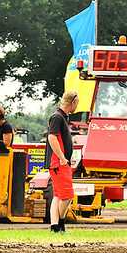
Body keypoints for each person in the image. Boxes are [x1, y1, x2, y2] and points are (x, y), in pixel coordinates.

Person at [45, 90, 80, 234]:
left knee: (58, 195)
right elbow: (52, 138)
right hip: (59, 163)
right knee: (68, 196)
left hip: (59, 162)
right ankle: (60, 223)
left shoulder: (61, 117)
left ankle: (55, 227)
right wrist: (62, 158)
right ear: (72, 103)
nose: (77, 106)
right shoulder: (58, 117)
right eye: (77, 103)